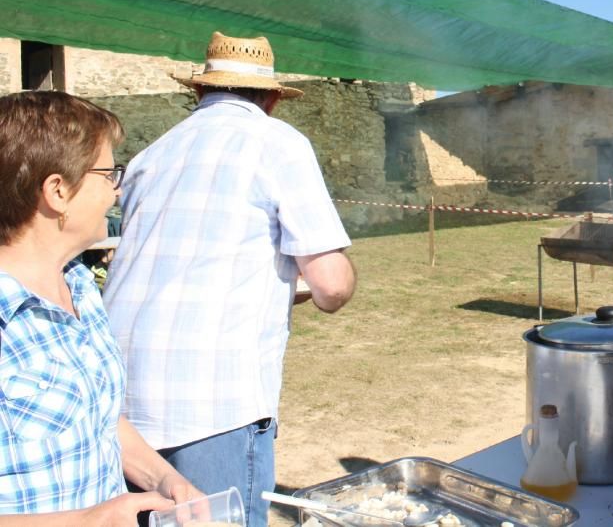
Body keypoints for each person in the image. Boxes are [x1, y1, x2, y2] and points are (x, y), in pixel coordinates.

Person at [104, 32, 356, 527]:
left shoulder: (152, 152)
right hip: (211, 394)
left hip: (116, 393)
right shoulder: (278, 141)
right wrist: (344, 276)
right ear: (274, 98)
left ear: (199, 92)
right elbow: (329, 285)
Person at [0, 91, 199, 524]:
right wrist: (83, 520)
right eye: (109, 173)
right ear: (57, 191)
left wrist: (163, 478)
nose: (116, 189)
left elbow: (98, 420)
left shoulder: (79, 285)